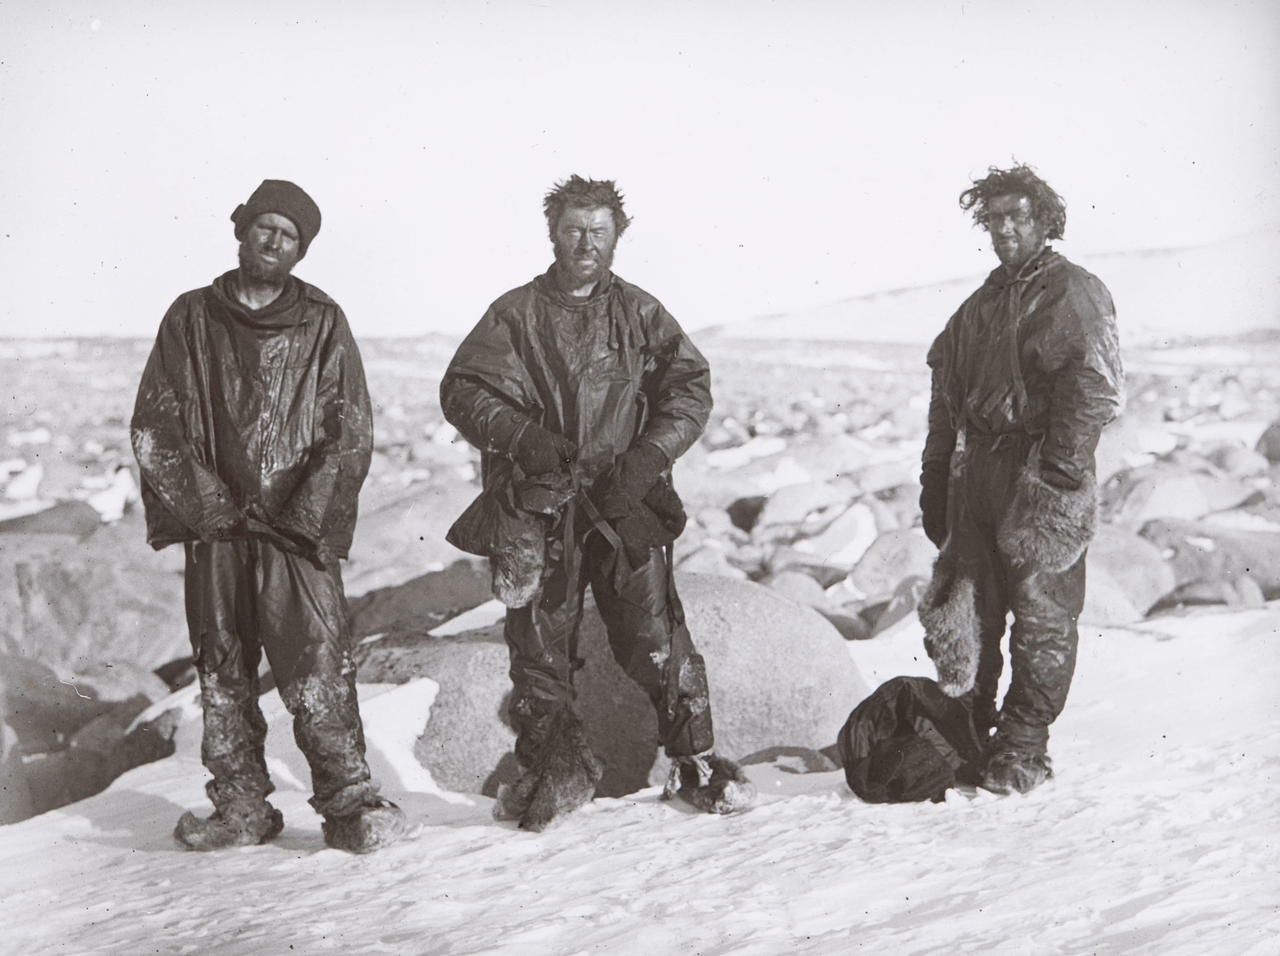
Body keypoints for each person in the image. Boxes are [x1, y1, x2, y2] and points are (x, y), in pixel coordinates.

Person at [440, 175, 756, 830]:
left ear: (617, 237)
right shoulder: (514, 314)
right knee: (538, 645)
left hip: (622, 503)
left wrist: (644, 460)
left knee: (656, 635)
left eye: (599, 231)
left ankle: (697, 763)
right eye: (574, 229)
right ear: (553, 233)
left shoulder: (641, 314)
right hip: (537, 505)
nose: (586, 243)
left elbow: (689, 388)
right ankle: (553, 769)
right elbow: (464, 389)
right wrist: (525, 440)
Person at [131, 180, 407, 853]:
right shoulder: (191, 318)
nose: (275, 241)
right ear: (243, 231)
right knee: (222, 671)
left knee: (318, 667)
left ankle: (350, 808)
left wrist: (305, 515)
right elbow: (155, 423)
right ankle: (240, 808)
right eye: (266, 228)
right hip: (218, 532)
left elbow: (349, 430)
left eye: (290, 234)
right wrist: (212, 507)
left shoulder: (323, 322)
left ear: (300, 249)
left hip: (295, 534)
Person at [917, 164, 1123, 795]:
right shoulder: (974, 309)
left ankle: (1025, 744)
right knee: (968, 608)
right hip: (974, 473)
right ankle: (972, 729)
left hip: (1038, 473)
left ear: (1044, 221)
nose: (1004, 228)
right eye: (995, 218)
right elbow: (943, 395)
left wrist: (1058, 478)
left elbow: (1091, 387)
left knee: (1043, 613)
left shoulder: (1072, 292)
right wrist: (934, 474)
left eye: (1018, 217)